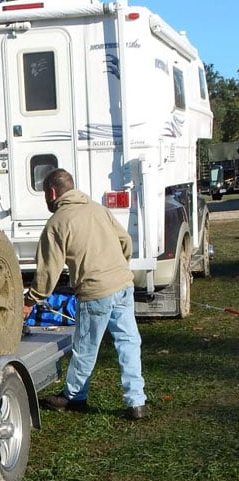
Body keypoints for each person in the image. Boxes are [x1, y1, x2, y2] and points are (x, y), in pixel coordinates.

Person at [24, 168, 147, 419]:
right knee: (129, 342)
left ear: (52, 192)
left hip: (95, 291)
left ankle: (75, 397)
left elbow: (48, 272)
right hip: (123, 285)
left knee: (86, 347)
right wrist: (118, 267)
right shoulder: (97, 209)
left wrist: (31, 300)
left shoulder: (57, 223)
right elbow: (125, 241)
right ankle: (136, 402)